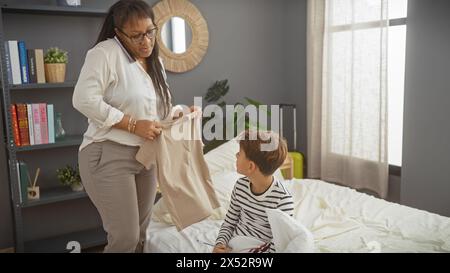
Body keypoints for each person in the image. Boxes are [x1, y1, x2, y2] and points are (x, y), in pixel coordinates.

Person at [73, 0, 192, 252]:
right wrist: (132, 124)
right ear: (119, 33)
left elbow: (155, 112)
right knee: (125, 237)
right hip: (107, 154)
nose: (146, 41)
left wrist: (181, 113)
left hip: (144, 156)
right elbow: (83, 99)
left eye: (150, 32)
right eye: (136, 36)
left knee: (140, 235)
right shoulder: (104, 54)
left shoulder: (155, 63)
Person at [213, 130, 294, 253]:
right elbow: (229, 222)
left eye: (239, 154)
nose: (236, 155)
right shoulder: (240, 186)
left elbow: (278, 243)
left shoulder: (283, 200)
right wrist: (220, 244)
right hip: (234, 245)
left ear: (251, 166)